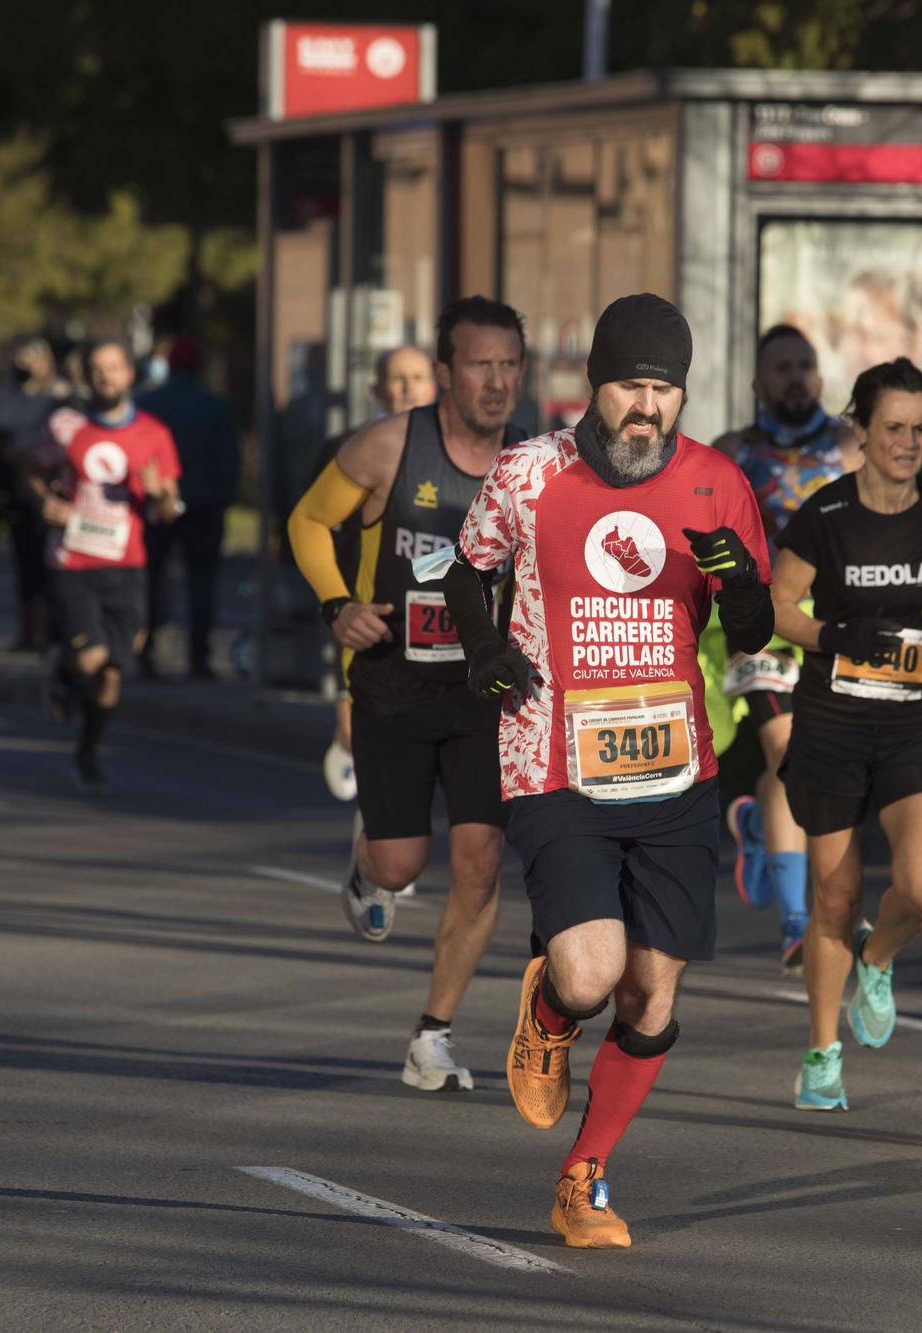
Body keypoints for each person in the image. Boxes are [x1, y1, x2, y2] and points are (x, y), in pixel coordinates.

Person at [443, 293, 774, 1248]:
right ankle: (550, 1012)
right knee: (593, 973)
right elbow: (470, 570)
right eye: (632, 384)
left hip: (675, 768)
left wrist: (745, 585)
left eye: (665, 389)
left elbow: (748, 632)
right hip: (554, 755)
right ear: (595, 383)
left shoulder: (718, 484)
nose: (647, 406)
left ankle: (582, 1175)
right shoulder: (530, 472)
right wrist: (483, 649)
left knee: (653, 995)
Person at [286, 305, 526, 1093]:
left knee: (481, 862)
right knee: (402, 862)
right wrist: (335, 605)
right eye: (480, 366)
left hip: (481, 696)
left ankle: (434, 1034)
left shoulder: (530, 466)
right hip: (390, 680)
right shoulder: (391, 444)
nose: (496, 382)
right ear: (448, 373)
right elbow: (308, 521)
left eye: (509, 366)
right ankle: (367, 867)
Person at [767, 358, 922, 1112]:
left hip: (912, 720)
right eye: (892, 427)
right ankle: (822, 1055)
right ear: (860, 430)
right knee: (835, 893)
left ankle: (878, 953)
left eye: (921, 428)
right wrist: (833, 632)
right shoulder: (824, 516)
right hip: (832, 721)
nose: (908, 441)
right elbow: (778, 606)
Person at [710, 324, 863, 972]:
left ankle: (755, 831)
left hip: (835, 626)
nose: (795, 377)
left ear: (821, 379)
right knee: (788, 754)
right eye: (781, 368)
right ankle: (798, 923)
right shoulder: (730, 452)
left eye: (805, 365)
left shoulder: (852, 446)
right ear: (757, 384)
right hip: (759, 626)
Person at [26, 339, 181, 795]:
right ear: (86, 376)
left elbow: (171, 508)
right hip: (72, 560)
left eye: (114, 368)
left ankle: (87, 753)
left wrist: (158, 495)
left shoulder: (154, 434)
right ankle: (65, 664)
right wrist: (45, 501)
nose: (106, 377)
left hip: (127, 564)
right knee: (92, 657)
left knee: (112, 673)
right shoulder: (66, 427)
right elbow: (31, 469)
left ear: (130, 374)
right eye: (97, 369)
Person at [320, 346, 441, 803]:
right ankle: (378, 865)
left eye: (417, 377)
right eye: (397, 378)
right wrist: (333, 600)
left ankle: (383, 866)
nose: (408, 387)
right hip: (361, 610)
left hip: (432, 619)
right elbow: (308, 529)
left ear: (435, 385)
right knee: (364, 737)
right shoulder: (345, 450)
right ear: (376, 389)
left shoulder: (455, 454)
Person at [134, 335, 238, 680]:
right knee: (201, 583)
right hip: (203, 504)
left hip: (157, 502)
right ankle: (198, 657)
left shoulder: (149, 403)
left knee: (152, 580)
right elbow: (228, 462)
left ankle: (146, 650)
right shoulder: (213, 406)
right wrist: (221, 498)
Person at [0, 339, 72, 650]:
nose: (26, 368)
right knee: (24, 561)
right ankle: (28, 630)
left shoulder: (57, 395)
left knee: (48, 562)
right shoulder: (6, 393)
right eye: (20, 360)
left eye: (32, 360)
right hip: (13, 488)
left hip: (46, 487)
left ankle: (50, 630)